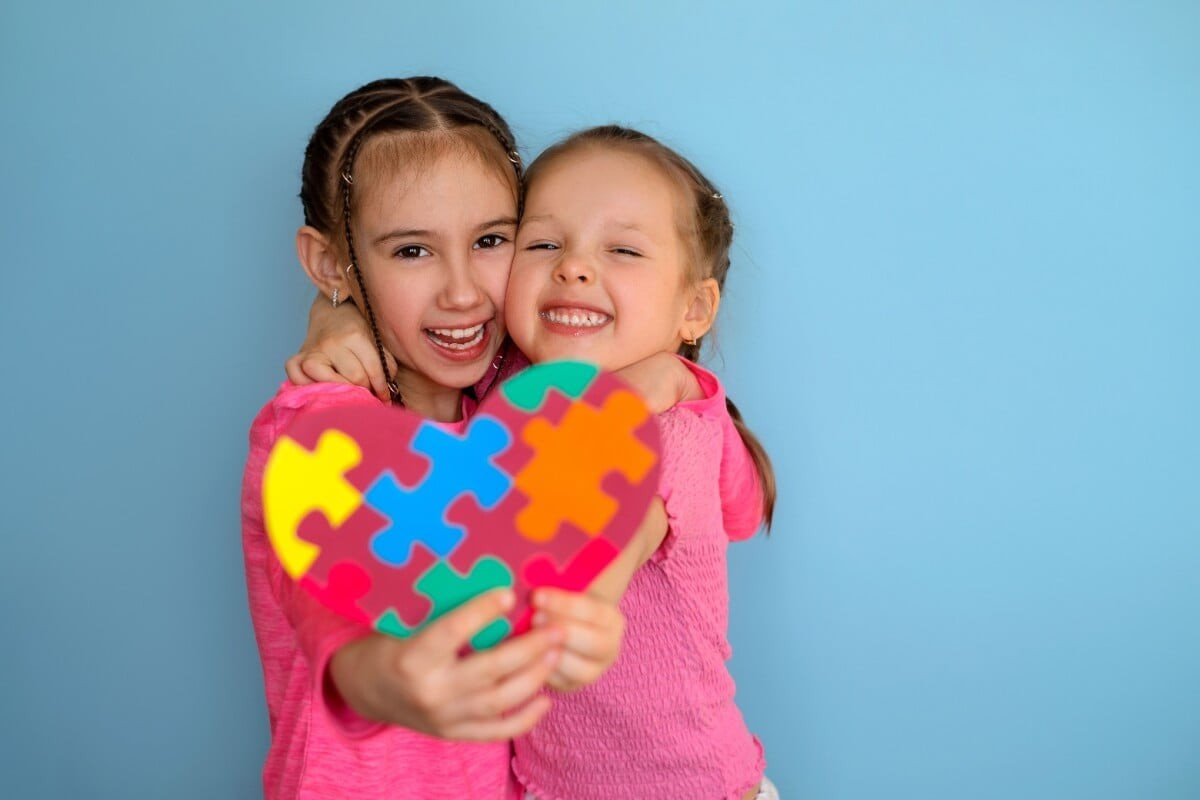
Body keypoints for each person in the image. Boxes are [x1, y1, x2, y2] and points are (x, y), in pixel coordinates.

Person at [291, 124, 778, 799]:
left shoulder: (664, 433)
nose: (574, 266)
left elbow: (620, 524)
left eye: (623, 249)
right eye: (544, 242)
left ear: (693, 308)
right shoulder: (509, 385)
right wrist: (335, 318)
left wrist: (581, 609)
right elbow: (386, 295)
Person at [242, 77, 629, 800]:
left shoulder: (509, 400)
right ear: (331, 263)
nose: (462, 292)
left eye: (490, 240)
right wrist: (387, 679)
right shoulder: (309, 433)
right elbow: (331, 619)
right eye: (412, 251)